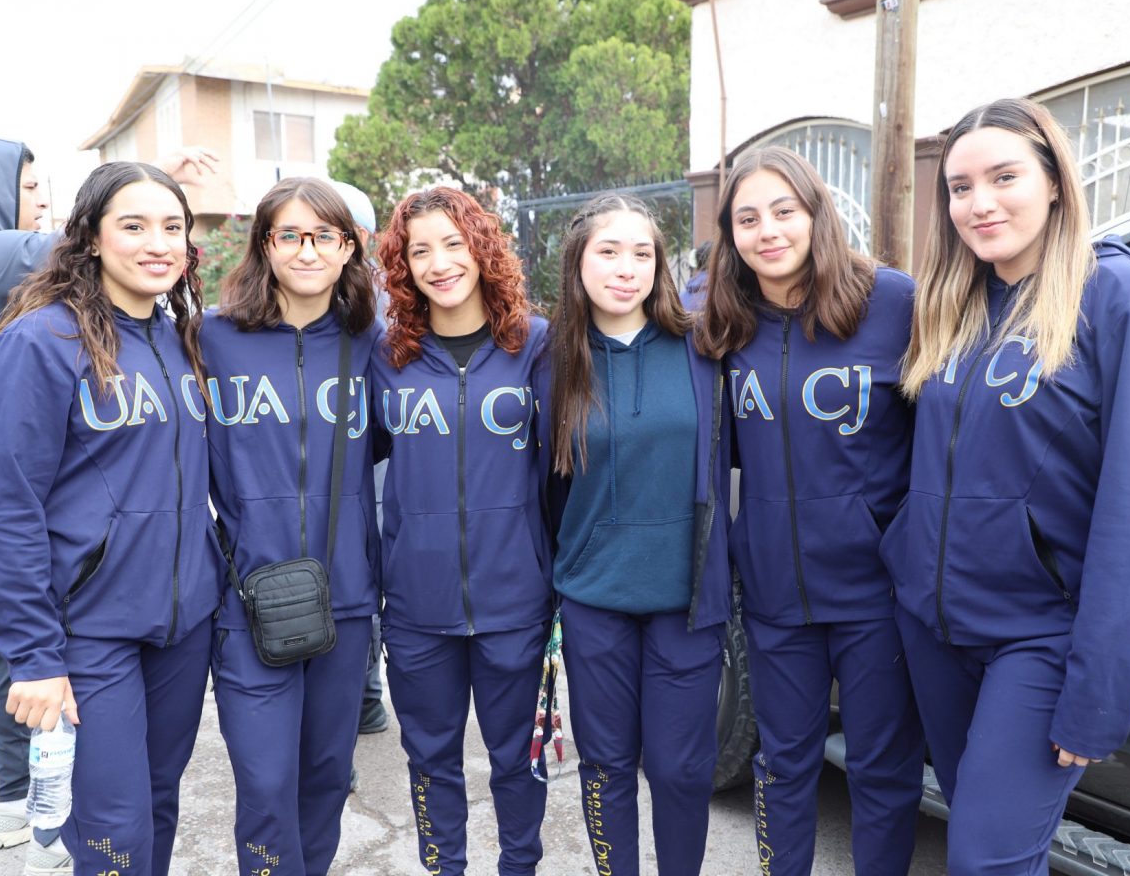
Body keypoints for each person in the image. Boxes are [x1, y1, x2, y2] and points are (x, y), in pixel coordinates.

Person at [882, 98, 1130, 875]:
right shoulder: (949, 302)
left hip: (1040, 638)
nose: (979, 203)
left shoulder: (1123, 301)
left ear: (1055, 182)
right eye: (959, 188)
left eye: (1004, 177)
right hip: (936, 633)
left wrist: (1099, 693)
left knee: (983, 859)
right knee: (983, 844)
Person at [0, 133, 215, 873]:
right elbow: (6, 510)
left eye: (172, 226)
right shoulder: (38, 341)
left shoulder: (181, 339)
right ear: (88, 237)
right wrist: (32, 656)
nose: (158, 244)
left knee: (158, 802)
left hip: (183, 627)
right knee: (113, 828)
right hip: (90, 632)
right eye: (134, 225)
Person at [694, 145, 925, 875]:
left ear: (816, 213)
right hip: (774, 596)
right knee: (783, 764)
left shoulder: (894, 303)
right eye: (747, 218)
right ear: (730, 234)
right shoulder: (724, 321)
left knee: (882, 771)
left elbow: (939, 436)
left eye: (783, 211)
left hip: (876, 595)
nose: (767, 231)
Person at [549, 194, 732, 876]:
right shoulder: (551, 358)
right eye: (609, 252)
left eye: (642, 253)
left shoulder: (703, 348)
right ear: (578, 262)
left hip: (687, 600)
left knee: (682, 770)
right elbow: (542, 485)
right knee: (605, 767)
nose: (627, 269)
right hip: (594, 600)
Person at [372, 186, 552, 876]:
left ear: (481, 249)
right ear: (404, 266)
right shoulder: (387, 356)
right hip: (417, 607)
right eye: (420, 251)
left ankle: (519, 867)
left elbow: (565, 469)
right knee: (430, 760)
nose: (440, 263)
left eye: (453, 243)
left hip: (516, 604)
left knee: (517, 761)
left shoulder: (535, 345)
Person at [203, 176, 380, 875]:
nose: (308, 251)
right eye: (290, 235)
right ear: (265, 244)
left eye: (324, 236)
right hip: (247, 599)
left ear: (349, 248)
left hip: (346, 599)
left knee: (326, 778)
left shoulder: (375, 344)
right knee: (266, 784)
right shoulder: (211, 339)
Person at [328, 178, 390, 737]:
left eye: (332, 232)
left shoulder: (380, 302)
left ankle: (365, 692)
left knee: (358, 562)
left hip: (373, 460)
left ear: (360, 237)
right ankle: (365, 695)